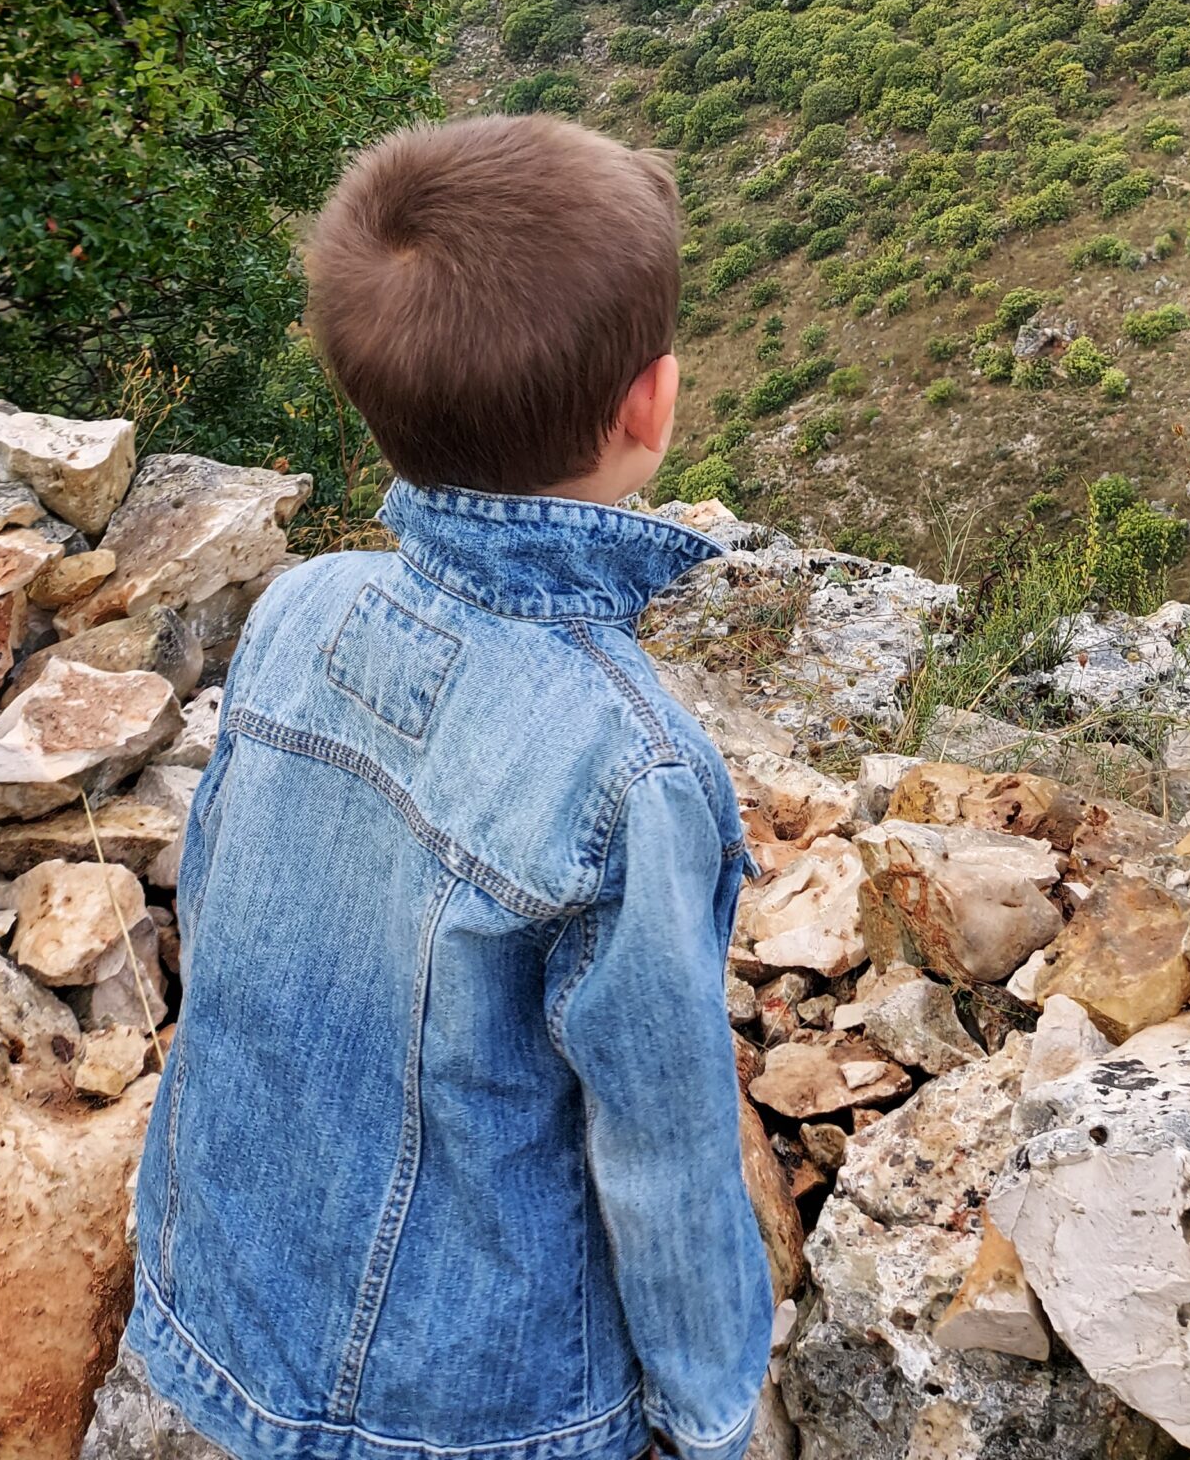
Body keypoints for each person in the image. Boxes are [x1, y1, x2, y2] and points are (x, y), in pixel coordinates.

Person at [125, 115, 772, 1460]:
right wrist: (713, 1410)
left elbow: (235, 938)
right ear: (650, 403)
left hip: (234, 1316)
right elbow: (663, 1144)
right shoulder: (631, 765)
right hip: (486, 1402)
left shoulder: (299, 611)